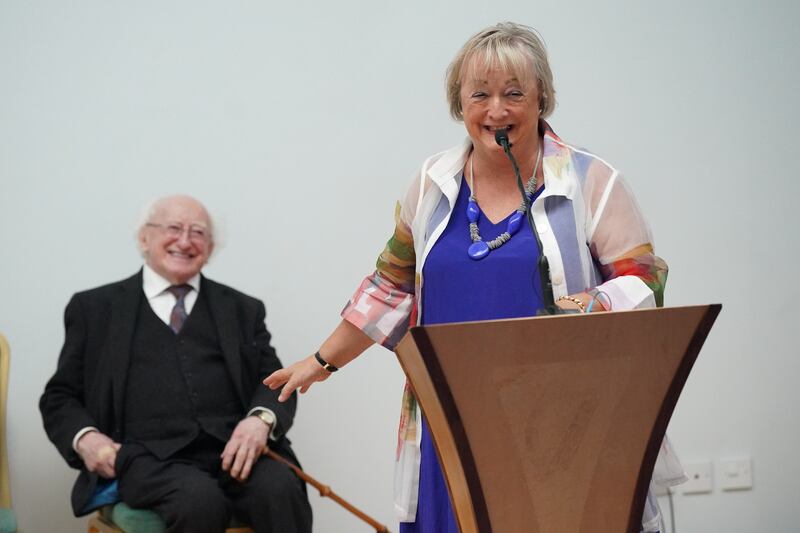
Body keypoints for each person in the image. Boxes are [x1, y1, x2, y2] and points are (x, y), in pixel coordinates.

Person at [265, 22, 684, 532]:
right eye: (480, 94)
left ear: (542, 98)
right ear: (459, 103)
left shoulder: (591, 180)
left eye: (514, 93)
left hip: (560, 421)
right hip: (450, 421)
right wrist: (321, 361)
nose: (496, 110)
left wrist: (582, 308)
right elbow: (391, 287)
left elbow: (644, 281)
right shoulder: (432, 183)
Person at [40, 195, 312, 533]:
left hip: (235, 452)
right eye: (173, 228)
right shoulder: (94, 309)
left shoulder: (243, 309)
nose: (184, 241)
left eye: (197, 232)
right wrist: (87, 439)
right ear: (144, 238)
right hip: (146, 459)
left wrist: (260, 421)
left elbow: (276, 381)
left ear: (209, 248)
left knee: (281, 489)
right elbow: (60, 396)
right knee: (198, 502)